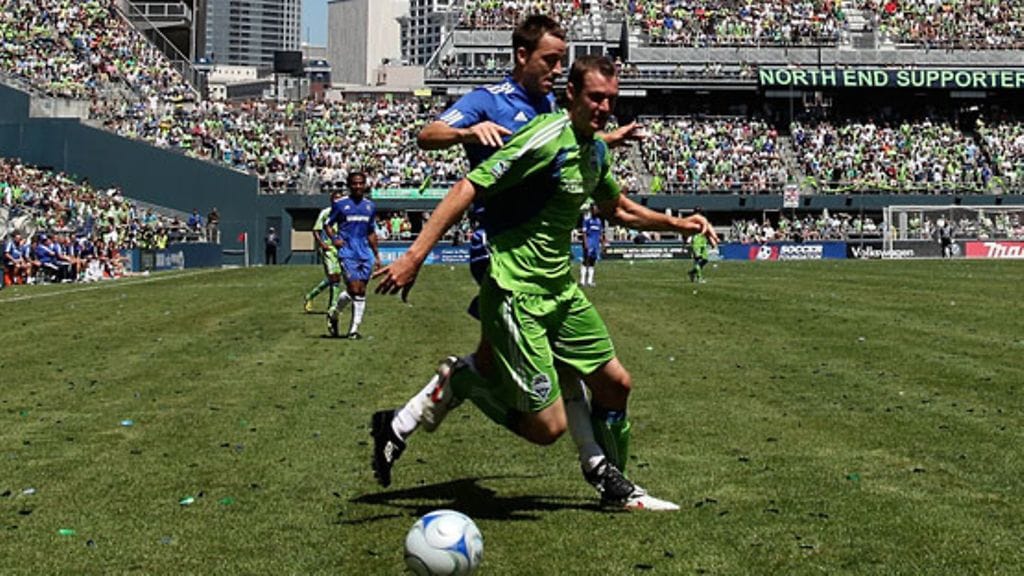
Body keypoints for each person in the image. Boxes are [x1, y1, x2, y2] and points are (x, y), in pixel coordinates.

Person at [373, 55, 719, 510]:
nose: (604, 108)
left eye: (611, 100)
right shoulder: (542, 138)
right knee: (546, 429)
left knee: (616, 385)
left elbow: (618, 209)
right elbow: (467, 188)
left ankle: (616, 489)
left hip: (561, 292)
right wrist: (415, 255)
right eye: (596, 97)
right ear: (571, 94)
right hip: (517, 294)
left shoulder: (594, 149)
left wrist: (681, 225)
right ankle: (463, 382)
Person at [324, 171, 382, 339]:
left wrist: (377, 255)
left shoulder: (370, 206)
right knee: (355, 288)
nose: (358, 186)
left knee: (359, 291)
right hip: (348, 251)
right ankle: (353, 331)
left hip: (365, 252)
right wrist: (334, 239)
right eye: (354, 183)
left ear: (365, 185)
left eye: (360, 183)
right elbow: (328, 225)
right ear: (349, 185)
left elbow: (371, 232)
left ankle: (335, 315)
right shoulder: (340, 204)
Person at [304, 191, 344, 313]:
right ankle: (333, 306)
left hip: (340, 248)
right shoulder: (326, 213)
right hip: (328, 248)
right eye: (336, 198)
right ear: (331, 200)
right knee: (333, 276)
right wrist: (322, 244)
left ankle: (310, 296)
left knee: (335, 277)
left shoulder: (344, 213)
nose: (338, 201)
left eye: (340, 199)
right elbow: (316, 230)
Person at [580, 203, 605, 287]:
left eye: (596, 209)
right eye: (594, 209)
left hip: (595, 244)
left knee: (592, 262)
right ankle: (582, 281)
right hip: (589, 243)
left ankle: (590, 281)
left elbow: (600, 234)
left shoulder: (599, 221)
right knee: (585, 261)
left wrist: (602, 243)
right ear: (591, 210)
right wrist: (586, 243)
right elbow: (584, 233)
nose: (596, 211)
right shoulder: (587, 220)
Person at [688, 206, 714, 283]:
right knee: (697, 259)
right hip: (696, 239)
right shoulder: (692, 220)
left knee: (705, 259)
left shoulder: (703, 219)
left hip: (703, 239)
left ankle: (692, 272)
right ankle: (699, 278)